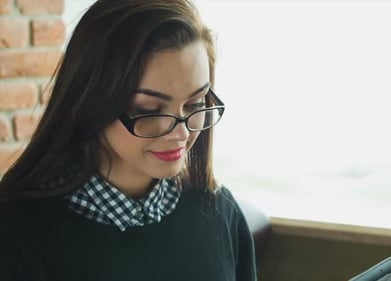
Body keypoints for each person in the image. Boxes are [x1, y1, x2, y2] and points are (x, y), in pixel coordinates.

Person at [0, 0, 256, 280]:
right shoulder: (16, 235)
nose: (181, 133)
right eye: (148, 110)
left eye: (195, 104)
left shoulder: (220, 213)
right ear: (91, 101)